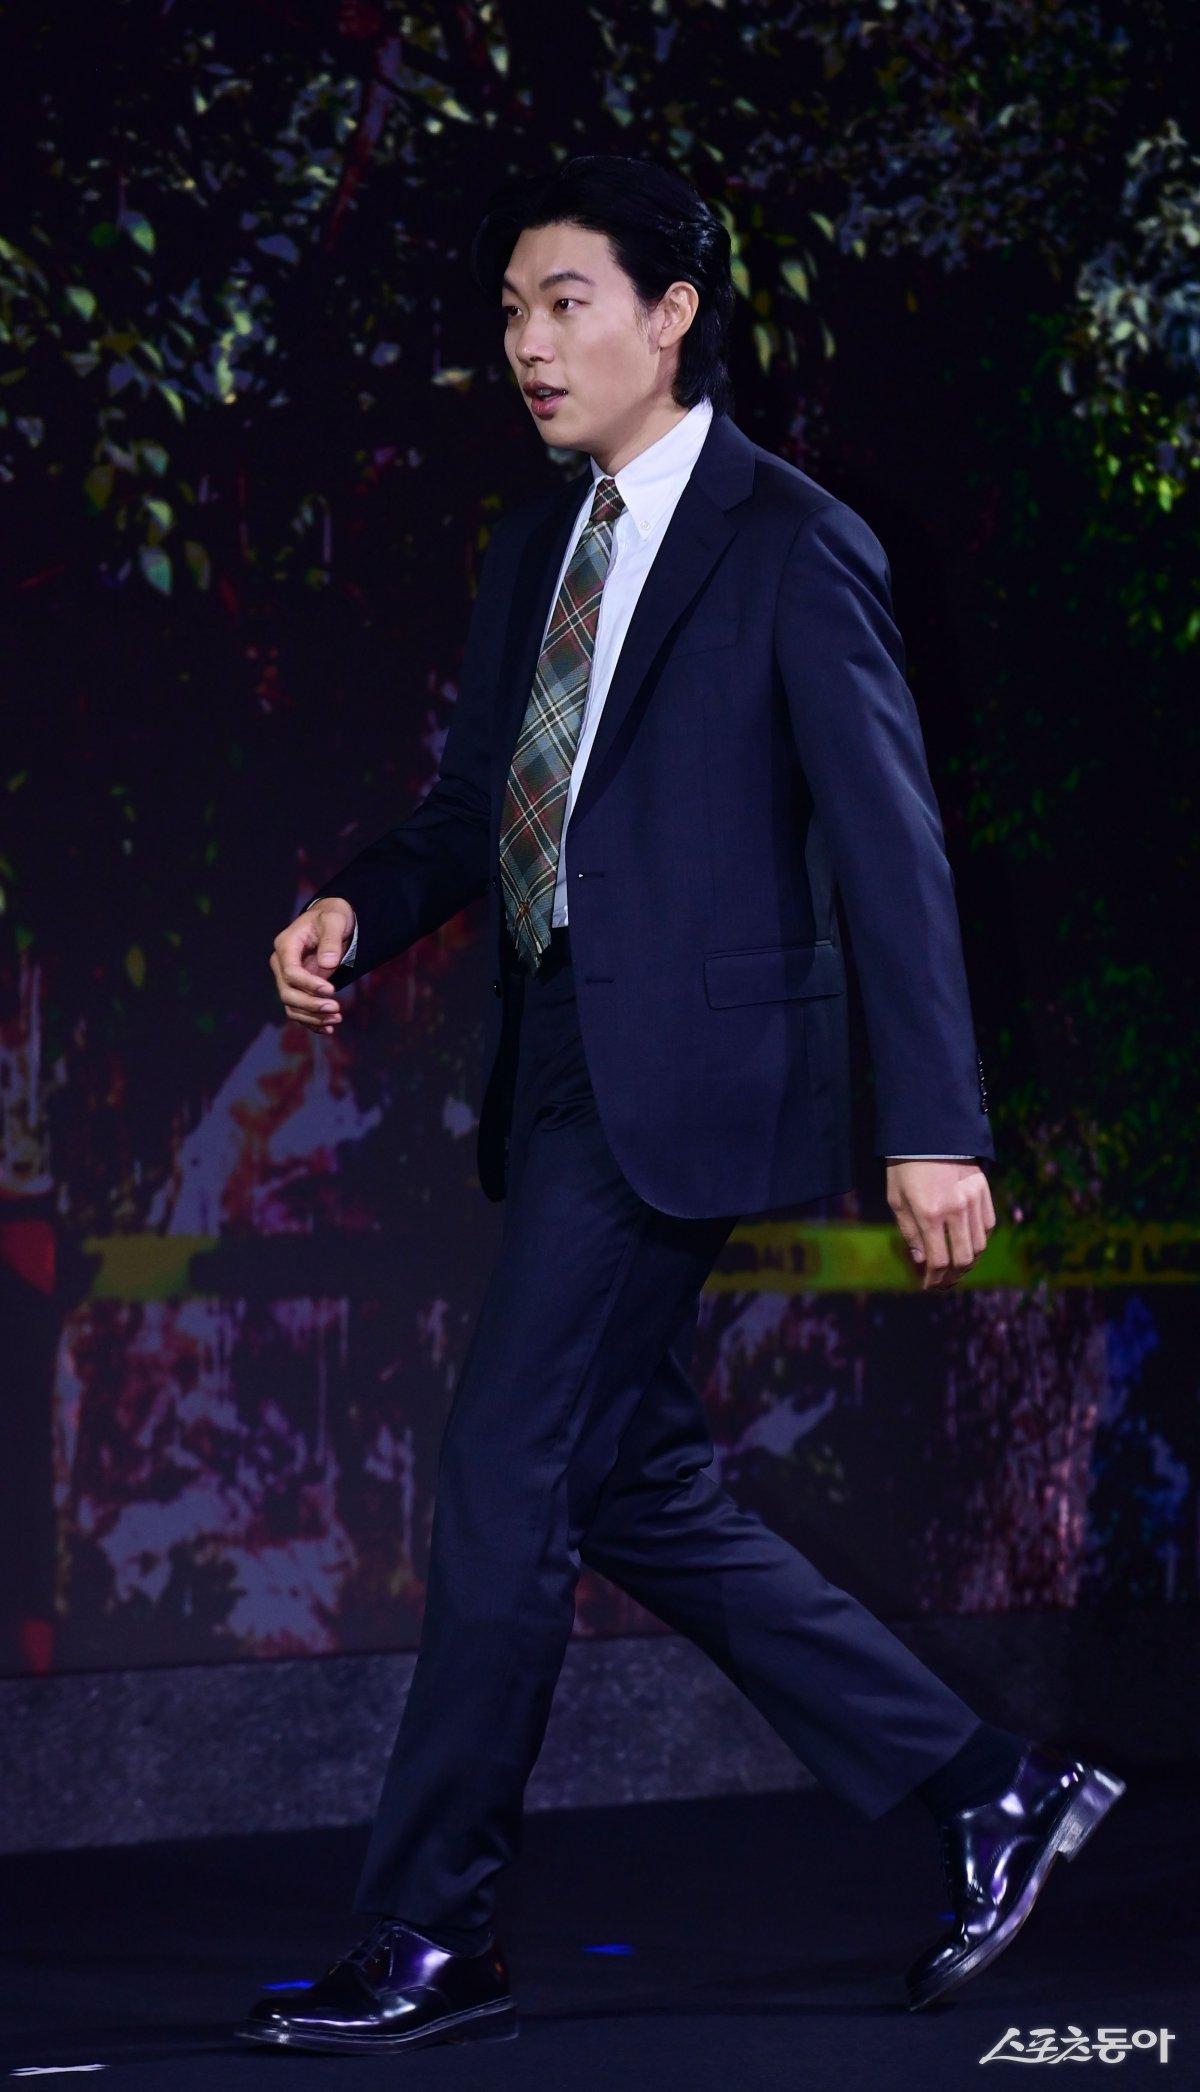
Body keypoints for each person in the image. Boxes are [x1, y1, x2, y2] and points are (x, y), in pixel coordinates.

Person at [243, 155, 1123, 2055]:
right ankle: (989, 1786)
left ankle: (435, 1930)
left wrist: (940, 1124)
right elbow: (476, 807)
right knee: (628, 1485)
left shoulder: (792, 541)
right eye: (510, 313)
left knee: (503, 1472)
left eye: (566, 303)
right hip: (554, 1058)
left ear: (670, 315)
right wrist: (358, 908)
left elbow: (894, 849)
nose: (529, 344)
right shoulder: (535, 549)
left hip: (688, 1082)